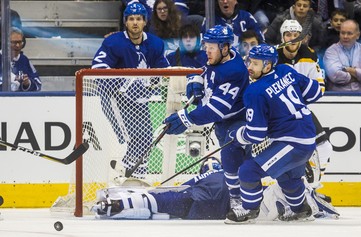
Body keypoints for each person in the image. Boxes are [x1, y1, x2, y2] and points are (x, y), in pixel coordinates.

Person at [225, 44, 323, 224]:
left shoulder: (254, 91)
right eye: (250, 62)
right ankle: (301, 209)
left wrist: (238, 136)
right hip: (307, 137)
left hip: (292, 142)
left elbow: (255, 133)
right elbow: (316, 92)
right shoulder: (287, 70)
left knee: (248, 171)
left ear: (268, 66)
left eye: (255, 63)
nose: (250, 67)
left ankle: (249, 210)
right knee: (288, 177)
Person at [162, 25, 250, 208]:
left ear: (225, 48)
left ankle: (240, 202)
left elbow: (216, 110)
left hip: (237, 122)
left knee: (233, 158)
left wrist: (186, 118)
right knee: (233, 164)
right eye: (206, 46)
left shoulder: (234, 71)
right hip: (222, 124)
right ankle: (236, 197)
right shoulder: (217, 58)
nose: (207, 51)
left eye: (212, 47)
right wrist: (197, 78)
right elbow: (206, 69)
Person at [90, 157, 339, 220]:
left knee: (176, 202)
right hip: (228, 203)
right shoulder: (291, 189)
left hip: (222, 196)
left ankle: (120, 202)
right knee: (177, 205)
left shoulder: (219, 172)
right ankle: (121, 203)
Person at [91, 2, 170, 179]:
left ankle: (135, 176)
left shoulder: (156, 44)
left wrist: (155, 81)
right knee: (134, 137)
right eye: (131, 19)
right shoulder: (113, 42)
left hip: (139, 99)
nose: (135, 23)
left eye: (139, 19)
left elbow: (164, 71)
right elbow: (98, 68)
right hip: (114, 97)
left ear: (145, 22)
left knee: (147, 138)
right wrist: (125, 83)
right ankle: (126, 174)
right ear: (125, 22)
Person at [276, 20, 333, 201]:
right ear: (282, 36)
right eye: (288, 35)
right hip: (275, 115)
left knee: (324, 147)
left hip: (299, 110)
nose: (292, 39)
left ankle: (312, 189)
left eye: (295, 35)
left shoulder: (309, 55)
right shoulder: (272, 57)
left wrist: (298, 98)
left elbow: (319, 87)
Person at [323, 19, 361, 91]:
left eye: (349, 33)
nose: (345, 36)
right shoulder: (331, 51)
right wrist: (359, 76)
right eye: (342, 33)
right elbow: (335, 75)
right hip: (336, 97)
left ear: (358, 35)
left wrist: (351, 70)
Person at [0, 27, 42, 92]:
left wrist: (27, 84)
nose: (17, 45)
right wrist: (12, 80)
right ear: (5, 43)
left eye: (20, 42)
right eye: (14, 42)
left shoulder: (24, 60)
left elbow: (38, 83)